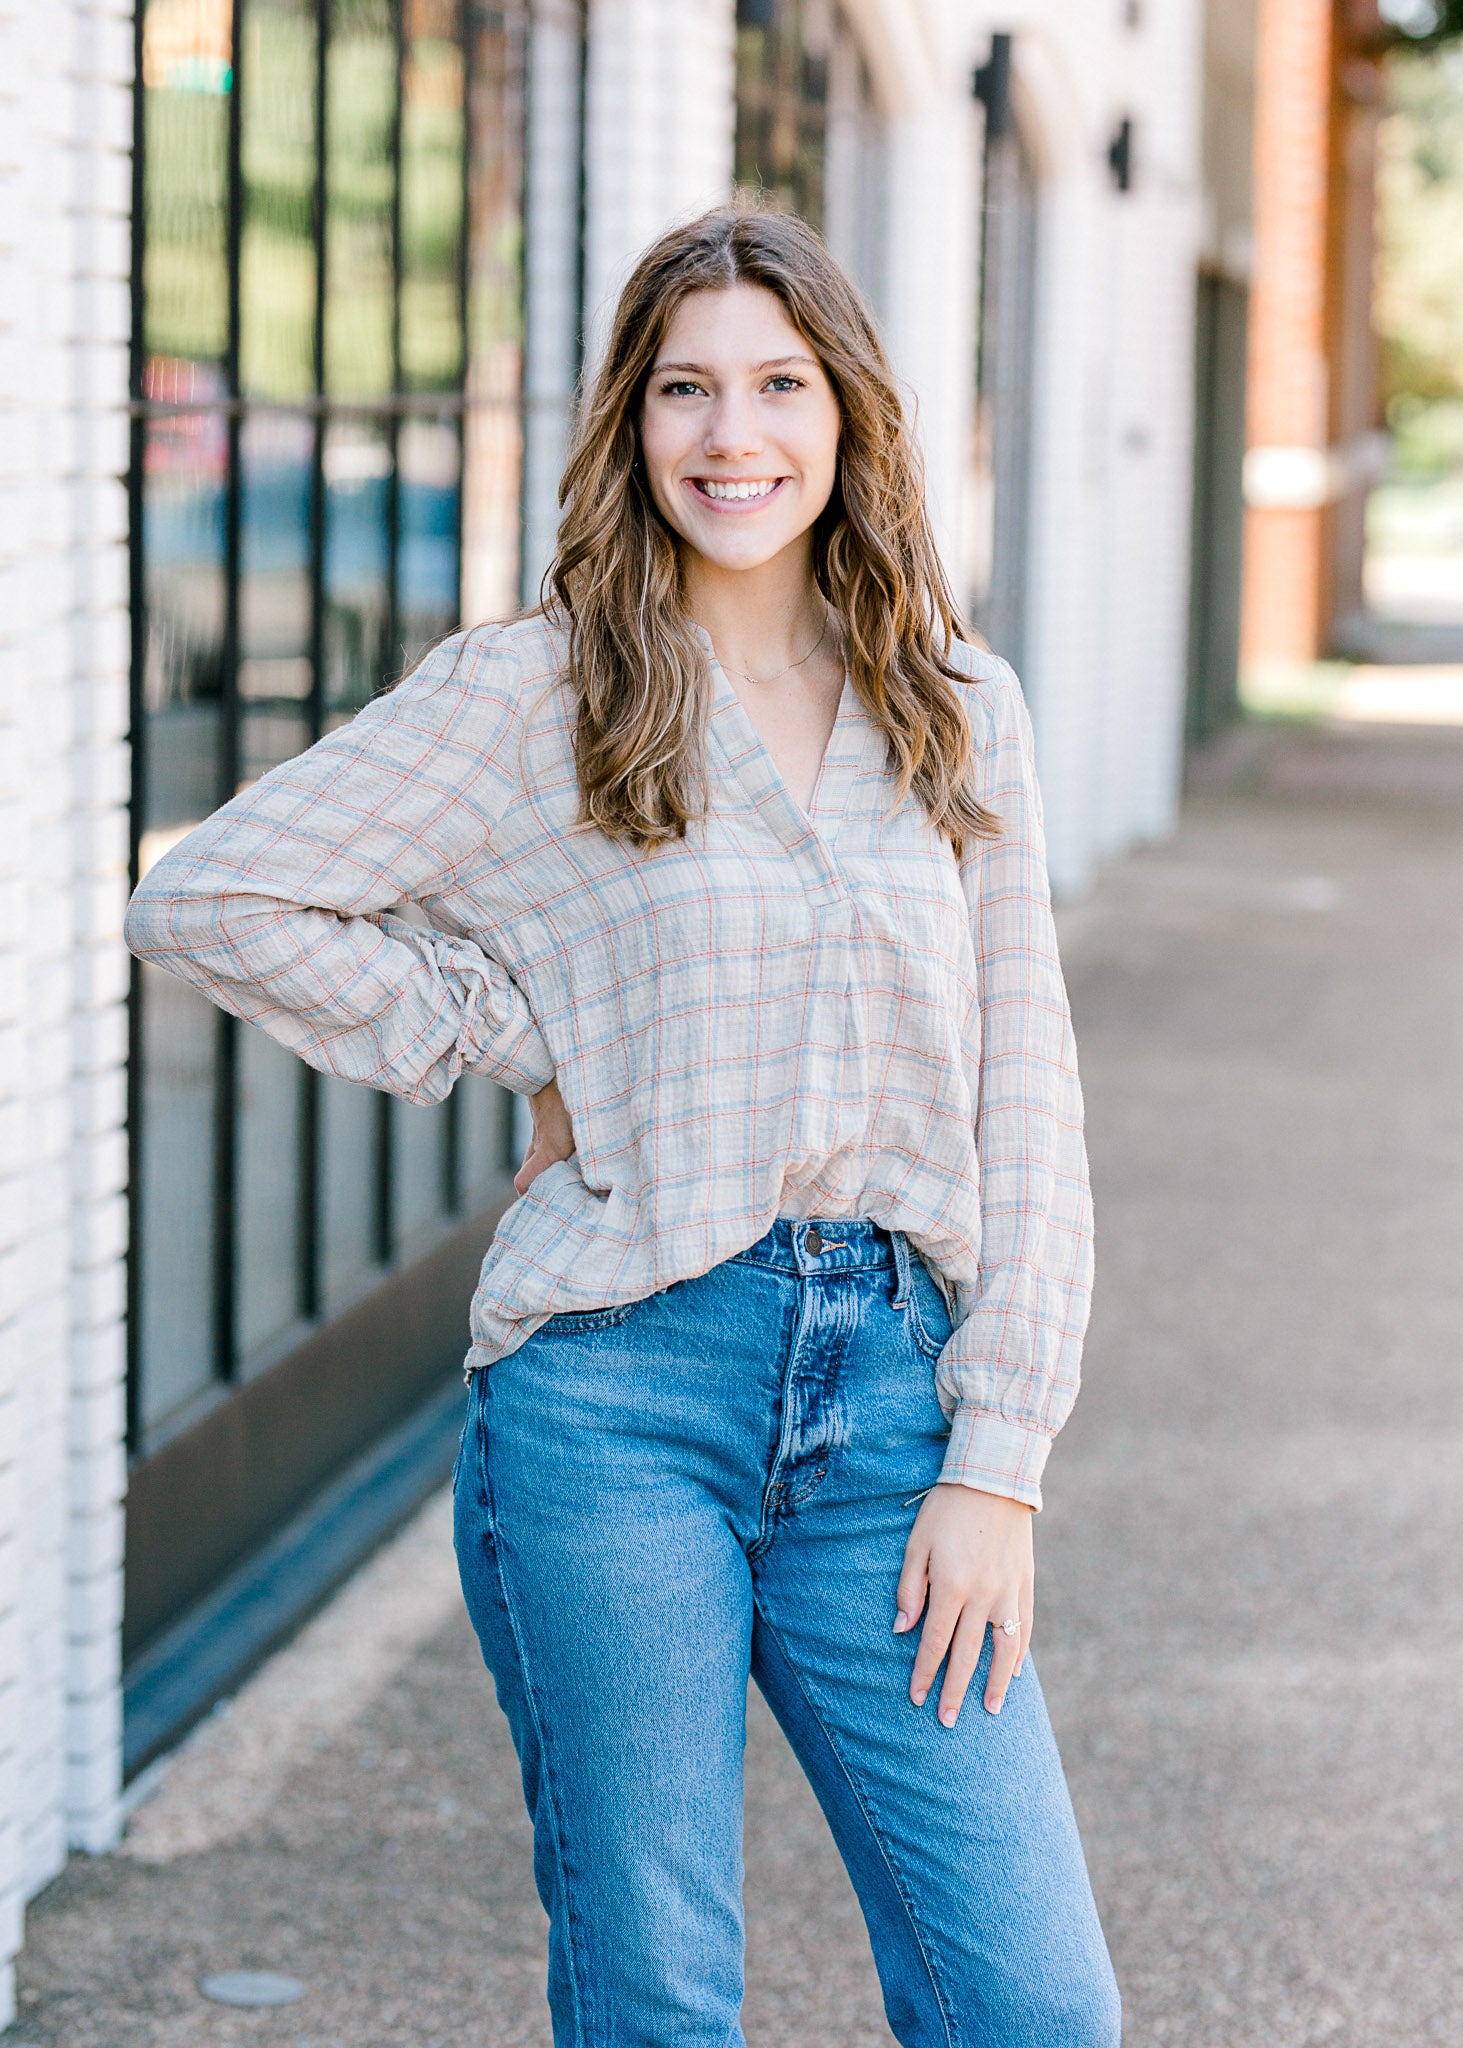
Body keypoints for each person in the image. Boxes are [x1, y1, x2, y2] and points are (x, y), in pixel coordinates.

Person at [125, 200, 1121, 2047]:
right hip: (616, 1399)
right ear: (629, 421)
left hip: (897, 1401)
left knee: (1034, 2004)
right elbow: (214, 896)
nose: (730, 436)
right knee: (659, 1997)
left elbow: (1030, 1093)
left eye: (775, 384)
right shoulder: (537, 693)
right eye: (683, 390)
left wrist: (1001, 1457)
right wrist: (519, 1031)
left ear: (848, 415)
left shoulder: (958, 707)